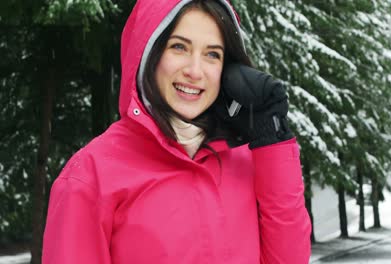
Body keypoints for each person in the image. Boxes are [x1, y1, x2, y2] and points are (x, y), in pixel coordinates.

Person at [42, 0, 311, 263]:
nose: (195, 71)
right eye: (179, 47)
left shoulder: (245, 160)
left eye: (212, 54)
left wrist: (271, 137)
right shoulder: (91, 175)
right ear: (149, 53)